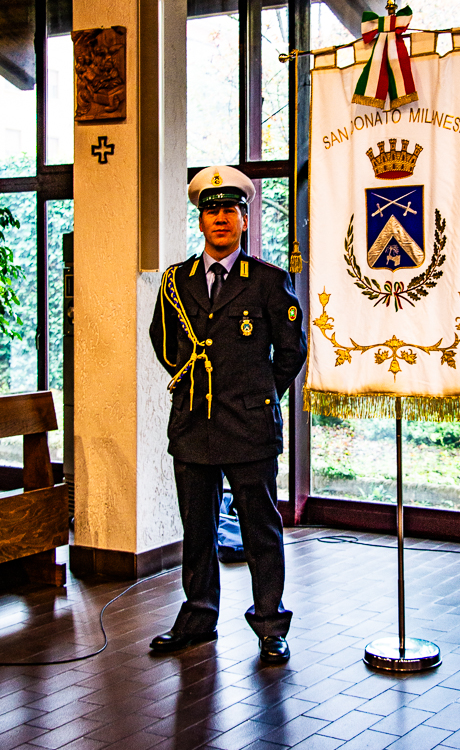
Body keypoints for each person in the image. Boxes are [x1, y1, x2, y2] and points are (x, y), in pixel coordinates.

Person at [149, 165, 307, 663]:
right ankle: (198, 617)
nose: (220, 218)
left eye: (230, 211)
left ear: (244, 220)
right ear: (200, 221)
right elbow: (163, 341)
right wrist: (195, 381)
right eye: (212, 211)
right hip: (193, 424)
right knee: (197, 529)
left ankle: (270, 624)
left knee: (260, 529)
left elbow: (292, 351)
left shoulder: (268, 281)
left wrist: (260, 394)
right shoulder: (176, 281)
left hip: (250, 426)